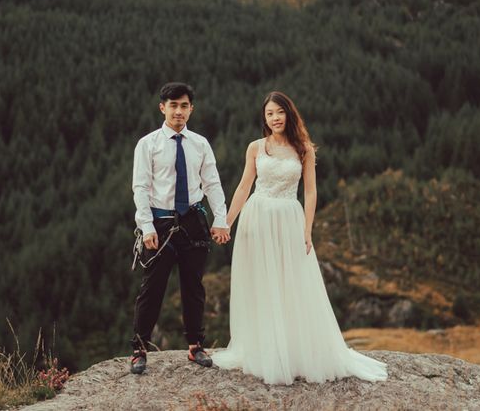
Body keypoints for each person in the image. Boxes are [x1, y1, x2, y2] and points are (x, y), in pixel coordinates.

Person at [212, 91, 387, 385]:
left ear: (289, 114)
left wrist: (307, 230)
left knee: (290, 282)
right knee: (262, 282)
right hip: (257, 217)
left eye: (279, 112)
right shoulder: (255, 147)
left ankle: (293, 351)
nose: (275, 118)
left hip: (289, 219)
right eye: (269, 114)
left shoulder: (304, 148)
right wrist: (226, 222)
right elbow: (244, 187)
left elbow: (310, 192)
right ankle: (265, 350)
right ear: (264, 118)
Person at [129, 82, 230, 374]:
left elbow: (212, 183)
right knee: (153, 286)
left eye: (184, 106)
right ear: (163, 108)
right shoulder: (147, 144)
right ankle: (139, 349)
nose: (178, 111)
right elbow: (140, 187)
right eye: (173, 105)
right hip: (160, 223)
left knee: (193, 285)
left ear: (191, 109)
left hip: (194, 220)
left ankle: (196, 346)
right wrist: (146, 226)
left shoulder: (200, 144)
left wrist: (220, 220)